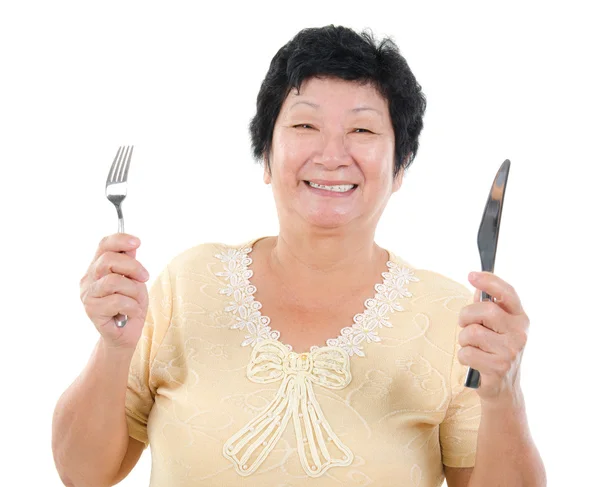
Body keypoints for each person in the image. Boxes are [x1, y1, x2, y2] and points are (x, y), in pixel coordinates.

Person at [51, 25, 546, 487]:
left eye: (363, 131)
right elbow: (84, 472)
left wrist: (504, 396)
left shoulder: (455, 319)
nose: (331, 155)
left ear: (400, 167)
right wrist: (115, 351)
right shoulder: (187, 283)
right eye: (305, 125)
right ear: (266, 155)